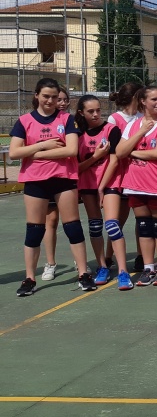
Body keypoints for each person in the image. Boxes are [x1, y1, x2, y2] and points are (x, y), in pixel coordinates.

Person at [12, 78, 92, 297]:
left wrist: (35, 153)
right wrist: (43, 145)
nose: (50, 100)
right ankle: (29, 278)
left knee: (73, 227)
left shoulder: (66, 119)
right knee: (34, 230)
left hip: (63, 179)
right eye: (46, 96)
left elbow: (70, 150)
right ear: (37, 95)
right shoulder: (24, 121)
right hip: (36, 181)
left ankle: (83, 274)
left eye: (54, 97)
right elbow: (13, 153)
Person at [117, 86, 157, 287]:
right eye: (154, 99)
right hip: (135, 185)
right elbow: (119, 151)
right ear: (143, 101)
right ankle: (148, 267)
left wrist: (131, 152)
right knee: (144, 227)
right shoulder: (133, 125)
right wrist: (141, 131)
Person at [75, 95, 124, 287]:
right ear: (81, 113)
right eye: (91, 111)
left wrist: (102, 187)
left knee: (112, 225)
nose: (96, 114)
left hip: (109, 182)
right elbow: (77, 168)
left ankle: (122, 271)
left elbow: (114, 161)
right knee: (95, 226)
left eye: (98, 110)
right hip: (87, 185)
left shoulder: (111, 130)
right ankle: (102, 266)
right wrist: (96, 156)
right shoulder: (77, 135)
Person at [105, 82, 143, 274]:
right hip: (120, 173)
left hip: (138, 172)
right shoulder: (114, 119)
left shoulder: (142, 118)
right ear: (135, 97)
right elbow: (115, 151)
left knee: (140, 217)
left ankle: (140, 255)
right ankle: (108, 256)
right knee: (117, 220)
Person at [39, 85, 72, 280]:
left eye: (62, 99)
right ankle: (50, 263)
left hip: (69, 177)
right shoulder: (36, 121)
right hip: (45, 177)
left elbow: (72, 149)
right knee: (50, 221)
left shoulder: (70, 122)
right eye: (55, 99)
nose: (59, 102)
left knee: (72, 222)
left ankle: (79, 258)